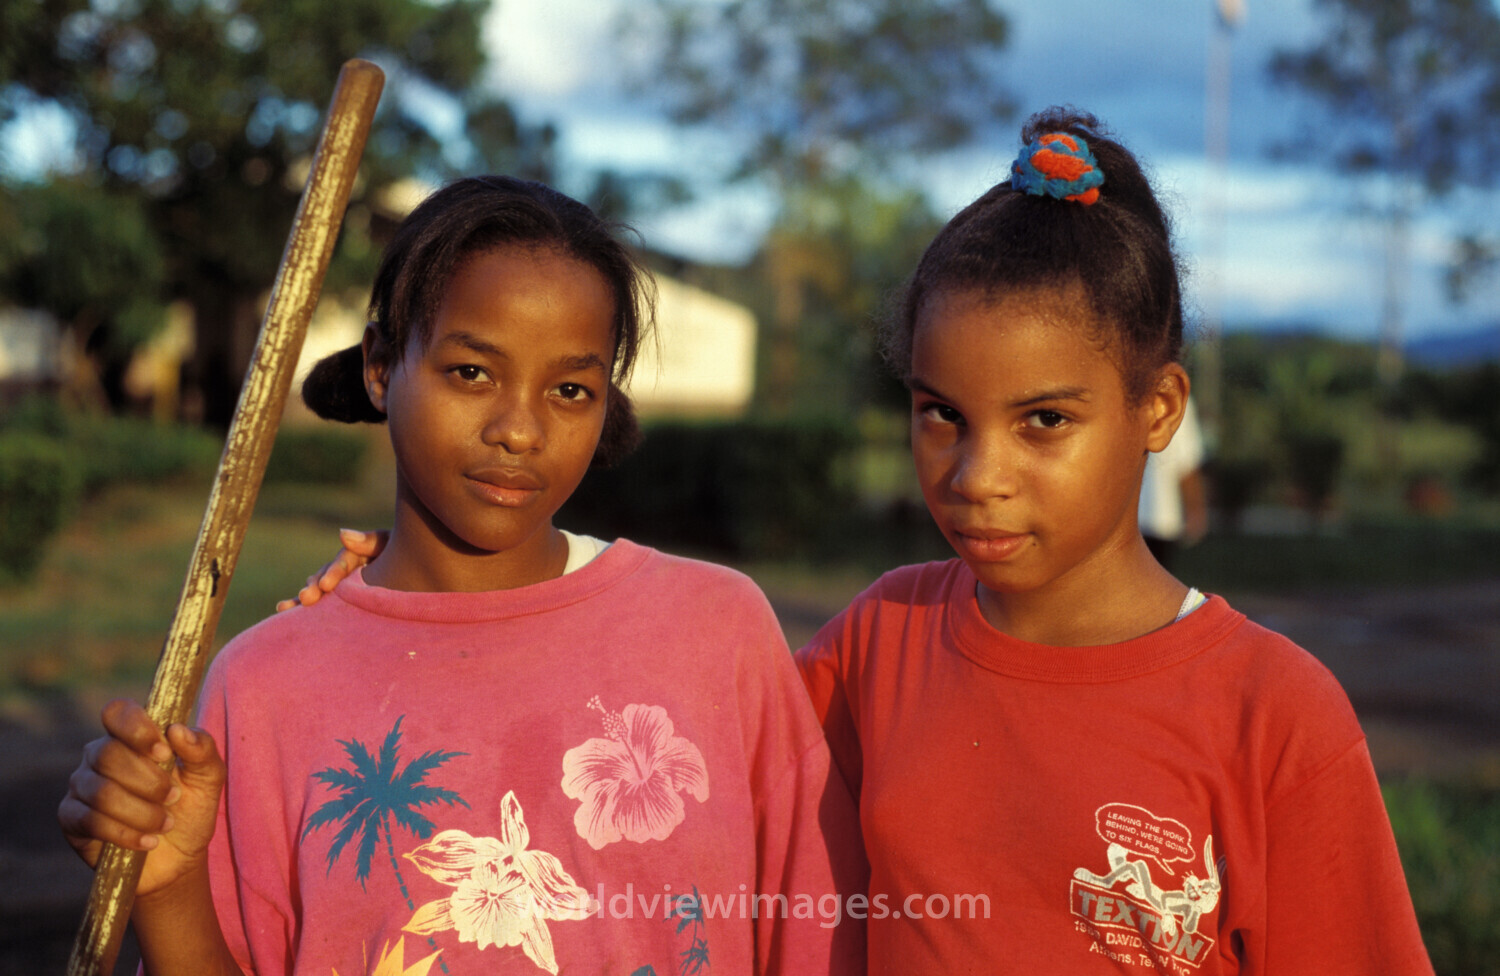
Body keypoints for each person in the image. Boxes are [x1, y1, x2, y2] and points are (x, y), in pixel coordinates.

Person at [278, 112, 1434, 974]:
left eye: (1045, 422)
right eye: (941, 412)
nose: (978, 474)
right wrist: (404, 607)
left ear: (1159, 409)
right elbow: (650, 725)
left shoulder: (1274, 714)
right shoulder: (886, 638)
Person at [59, 176, 864, 976]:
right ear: (381, 365)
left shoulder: (714, 631)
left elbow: (816, 933)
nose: (519, 429)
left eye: (570, 390)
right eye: (471, 373)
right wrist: (165, 891)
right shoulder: (264, 685)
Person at [1138, 394, 1207, 569]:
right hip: (1158, 519)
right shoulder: (1173, 396)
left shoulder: (1173, 397)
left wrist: (1195, 509)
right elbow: (1187, 464)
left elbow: (1187, 463)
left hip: (1156, 518)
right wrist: (1195, 510)